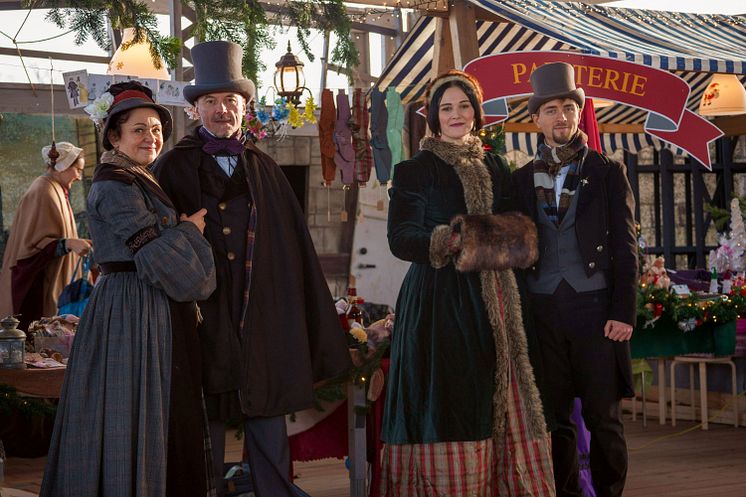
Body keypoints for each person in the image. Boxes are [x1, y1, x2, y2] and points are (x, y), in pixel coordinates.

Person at [153, 40, 351, 497]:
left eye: (230, 101)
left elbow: (293, 252)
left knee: (266, 414)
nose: (222, 110)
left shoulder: (264, 168)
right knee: (207, 418)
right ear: (195, 109)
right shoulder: (174, 167)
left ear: (246, 106)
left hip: (261, 314)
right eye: (210, 101)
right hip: (204, 314)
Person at [381, 69, 554, 496]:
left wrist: (497, 235)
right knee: (454, 398)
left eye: (463, 106)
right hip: (442, 304)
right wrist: (453, 239)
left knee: (506, 395)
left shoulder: (496, 164)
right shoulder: (415, 170)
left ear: (476, 113)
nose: (456, 115)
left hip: (503, 301)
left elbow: (521, 229)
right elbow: (401, 239)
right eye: (446, 108)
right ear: (434, 117)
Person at [40, 81, 217, 497]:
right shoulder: (114, 184)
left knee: (158, 413)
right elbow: (158, 259)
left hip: (149, 306)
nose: (151, 137)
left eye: (155, 129)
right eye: (139, 129)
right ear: (114, 136)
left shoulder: (138, 178)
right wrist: (190, 231)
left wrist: (174, 233)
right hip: (132, 309)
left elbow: (158, 248)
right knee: (134, 412)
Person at [511, 62, 638, 497]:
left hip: (596, 310)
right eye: (551, 110)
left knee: (604, 419)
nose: (561, 116)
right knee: (555, 420)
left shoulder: (606, 172)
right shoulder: (520, 180)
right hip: (543, 309)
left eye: (568, 107)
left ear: (579, 113)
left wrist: (623, 312)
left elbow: (626, 249)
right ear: (538, 118)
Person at [0, 142, 91, 330]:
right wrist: (68, 244)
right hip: (40, 289)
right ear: (63, 166)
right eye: (77, 170)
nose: (79, 177)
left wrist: (74, 243)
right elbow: (30, 250)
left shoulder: (56, 188)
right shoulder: (43, 190)